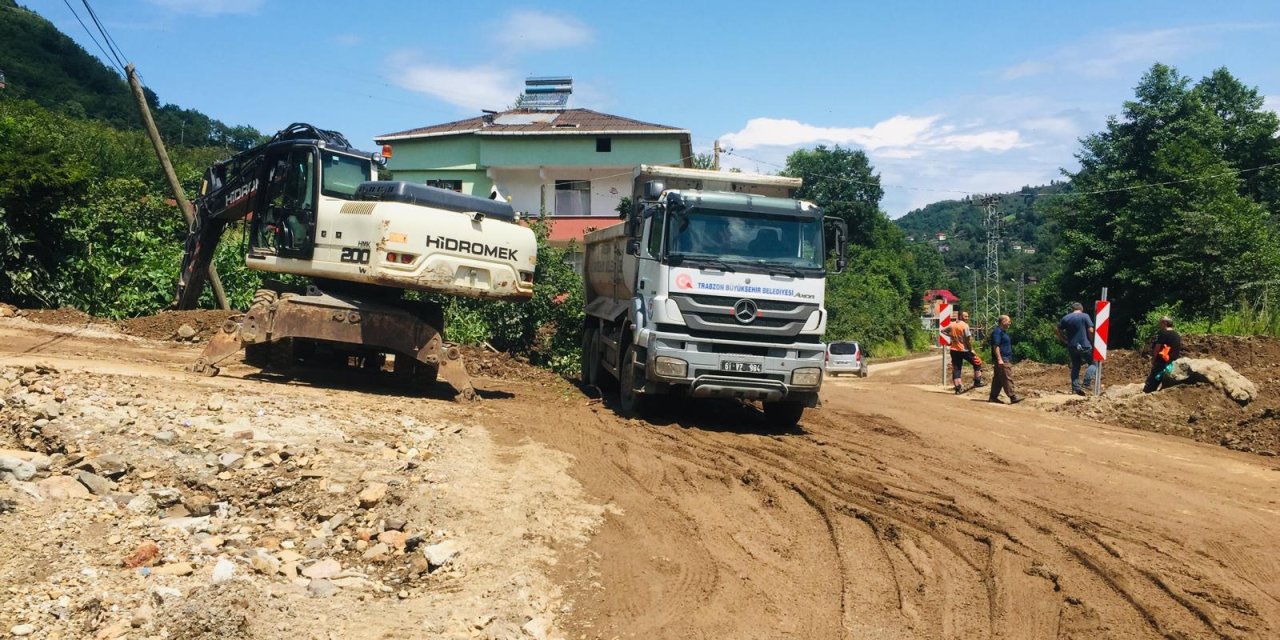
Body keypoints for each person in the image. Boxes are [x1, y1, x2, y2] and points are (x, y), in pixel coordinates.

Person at [1056, 302, 1095, 396]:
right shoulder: (1085, 316)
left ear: (1072, 309)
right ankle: (1086, 383)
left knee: (1076, 366)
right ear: (1081, 309)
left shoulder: (1066, 318)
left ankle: (1076, 389)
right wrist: (1093, 342)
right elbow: (1090, 330)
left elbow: (1057, 330)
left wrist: (1064, 339)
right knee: (1094, 363)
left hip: (1072, 346)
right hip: (1084, 345)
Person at [1143, 316, 1182, 393]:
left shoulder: (1164, 334)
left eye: (1160, 323)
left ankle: (1147, 394)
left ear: (1165, 323)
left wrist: (1154, 359)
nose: (1159, 325)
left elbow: (1157, 348)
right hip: (1172, 362)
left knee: (1152, 382)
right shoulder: (1177, 335)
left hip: (1161, 361)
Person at [988, 314, 1021, 404]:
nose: (1010, 323)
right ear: (1003, 321)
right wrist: (999, 359)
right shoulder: (997, 332)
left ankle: (993, 397)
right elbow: (996, 346)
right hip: (1003, 358)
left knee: (998, 379)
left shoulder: (1003, 332)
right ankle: (1013, 396)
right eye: (1009, 321)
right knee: (1007, 377)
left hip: (1004, 358)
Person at [948, 310, 984, 394]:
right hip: (964, 350)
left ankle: (958, 388)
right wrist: (971, 349)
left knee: (957, 368)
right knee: (977, 363)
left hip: (954, 350)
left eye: (967, 316)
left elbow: (943, 331)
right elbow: (968, 340)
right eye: (965, 316)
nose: (967, 318)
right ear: (960, 316)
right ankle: (977, 381)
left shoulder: (952, 324)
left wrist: (952, 337)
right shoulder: (965, 325)